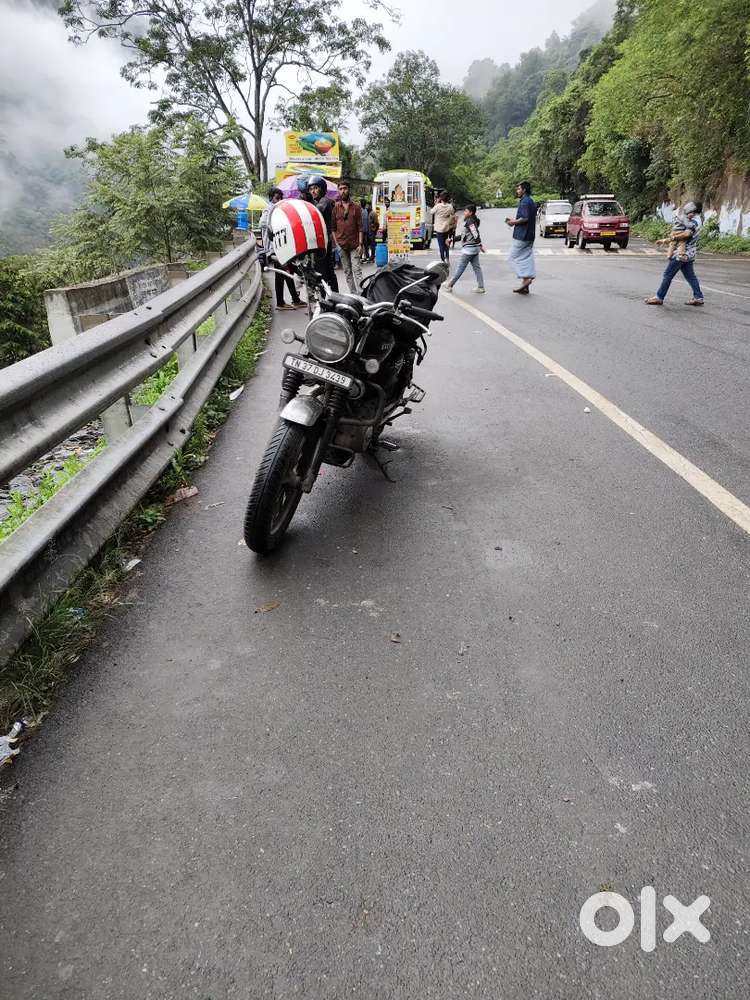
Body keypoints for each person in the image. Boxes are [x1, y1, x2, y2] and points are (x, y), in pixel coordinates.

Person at [645, 202, 704, 306]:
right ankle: (698, 297)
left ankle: (659, 297)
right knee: (690, 276)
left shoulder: (694, 221)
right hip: (690, 253)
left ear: (693, 210)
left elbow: (686, 234)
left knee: (668, 274)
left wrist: (672, 238)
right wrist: (666, 240)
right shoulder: (697, 219)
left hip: (682, 253)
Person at [259, 188, 305, 311]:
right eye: (276, 198)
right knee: (282, 274)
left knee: (286, 272)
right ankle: (281, 302)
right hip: (274, 250)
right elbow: (262, 223)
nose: (279, 200)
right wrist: (274, 225)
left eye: (280, 198)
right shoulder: (269, 209)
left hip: (280, 248)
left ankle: (295, 299)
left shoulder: (276, 210)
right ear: (271, 199)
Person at [301, 173, 339, 292]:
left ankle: (329, 297)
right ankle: (332, 296)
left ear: (322, 189)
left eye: (316, 188)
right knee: (325, 271)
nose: (313, 191)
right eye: (311, 189)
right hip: (318, 241)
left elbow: (317, 212)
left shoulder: (325, 201)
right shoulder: (314, 202)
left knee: (324, 272)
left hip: (324, 242)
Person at [444, 204, 485, 294]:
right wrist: (452, 239)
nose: (464, 213)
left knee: (460, 268)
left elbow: (475, 233)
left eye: (466, 211)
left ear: (470, 212)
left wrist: (480, 244)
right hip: (474, 249)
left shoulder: (470, 222)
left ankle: (450, 285)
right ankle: (481, 287)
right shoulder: (473, 221)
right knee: (477, 268)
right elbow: (464, 235)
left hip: (469, 249)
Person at [505, 181, 537, 294]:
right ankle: (525, 285)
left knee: (512, 258)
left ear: (524, 190)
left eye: (519, 189)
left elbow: (524, 218)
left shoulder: (525, 201)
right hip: (530, 235)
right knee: (526, 258)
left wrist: (512, 222)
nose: (517, 191)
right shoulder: (531, 201)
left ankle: (526, 278)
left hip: (522, 235)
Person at [332, 181, 364, 293]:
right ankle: (354, 294)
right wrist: (337, 244)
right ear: (338, 191)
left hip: (355, 244)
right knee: (347, 271)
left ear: (349, 189)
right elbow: (333, 229)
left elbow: (360, 227)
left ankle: (362, 294)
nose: (343, 191)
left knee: (357, 270)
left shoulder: (356, 207)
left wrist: (360, 244)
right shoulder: (335, 207)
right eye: (340, 189)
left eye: (345, 188)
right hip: (341, 244)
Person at [431, 190, 457, 264]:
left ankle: (443, 260)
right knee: (446, 244)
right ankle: (447, 258)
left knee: (441, 245)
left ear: (441, 198)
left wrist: (436, 203)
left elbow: (431, 212)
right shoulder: (450, 206)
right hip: (446, 228)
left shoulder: (438, 206)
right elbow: (453, 214)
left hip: (439, 228)